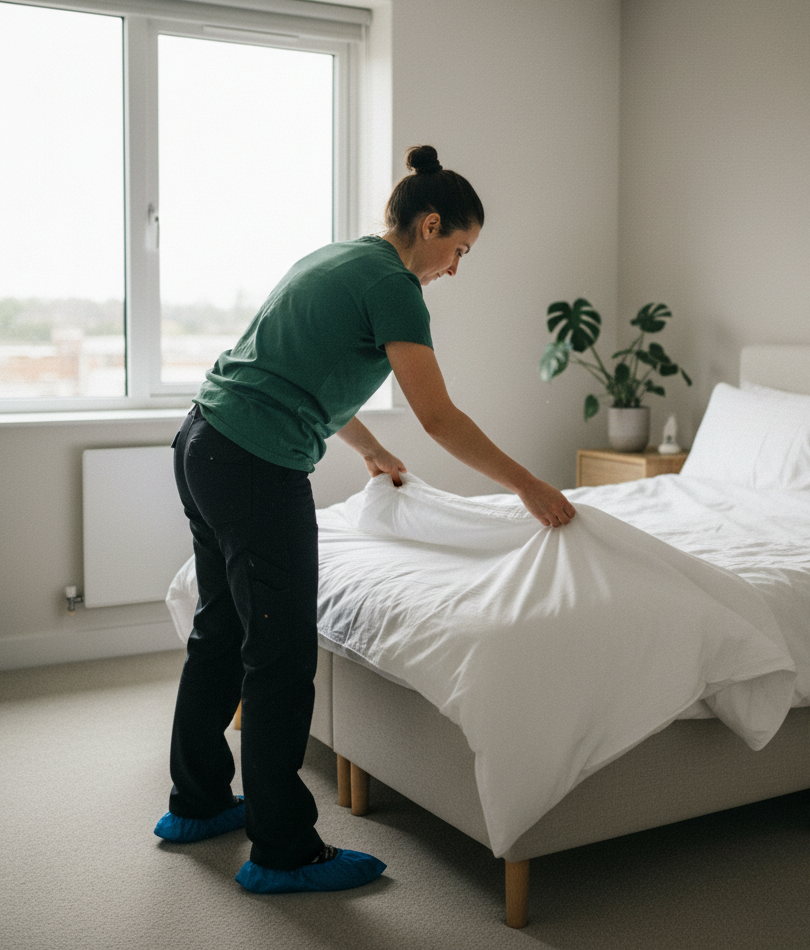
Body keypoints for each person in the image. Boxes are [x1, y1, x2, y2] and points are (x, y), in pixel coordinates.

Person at [154, 145, 575, 894]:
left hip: (204, 441)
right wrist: (527, 485)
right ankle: (283, 851)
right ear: (432, 222)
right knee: (279, 655)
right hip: (254, 464)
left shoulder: (343, 258)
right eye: (458, 249)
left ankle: (197, 803)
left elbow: (303, 369)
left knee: (221, 628)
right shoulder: (396, 288)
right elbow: (440, 417)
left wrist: (371, 447)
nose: (455, 269)